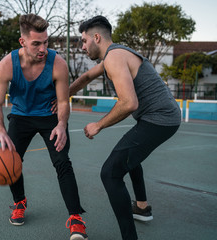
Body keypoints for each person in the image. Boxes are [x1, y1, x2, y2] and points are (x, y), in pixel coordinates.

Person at [68, 16, 181, 240]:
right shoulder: (115, 54)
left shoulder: (114, 58)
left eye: (83, 40)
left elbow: (129, 103)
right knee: (129, 158)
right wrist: (62, 95)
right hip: (162, 117)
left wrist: (98, 125)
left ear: (96, 38)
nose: (82, 47)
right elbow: (86, 77)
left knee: (110, 173)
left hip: (159, 119)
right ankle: (141, 207)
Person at [0, 14, 88, 240]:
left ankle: (76, 219)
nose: (43, 48)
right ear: (22, 42)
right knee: (10, 160)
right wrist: (0, 131)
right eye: (36, 43)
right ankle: (19, 201)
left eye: (46, 42)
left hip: (49, 116)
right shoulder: (6, 65)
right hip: (21, 116)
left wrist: (62, 124)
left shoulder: (58, 63)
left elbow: (63, 102)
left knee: (62, 162)